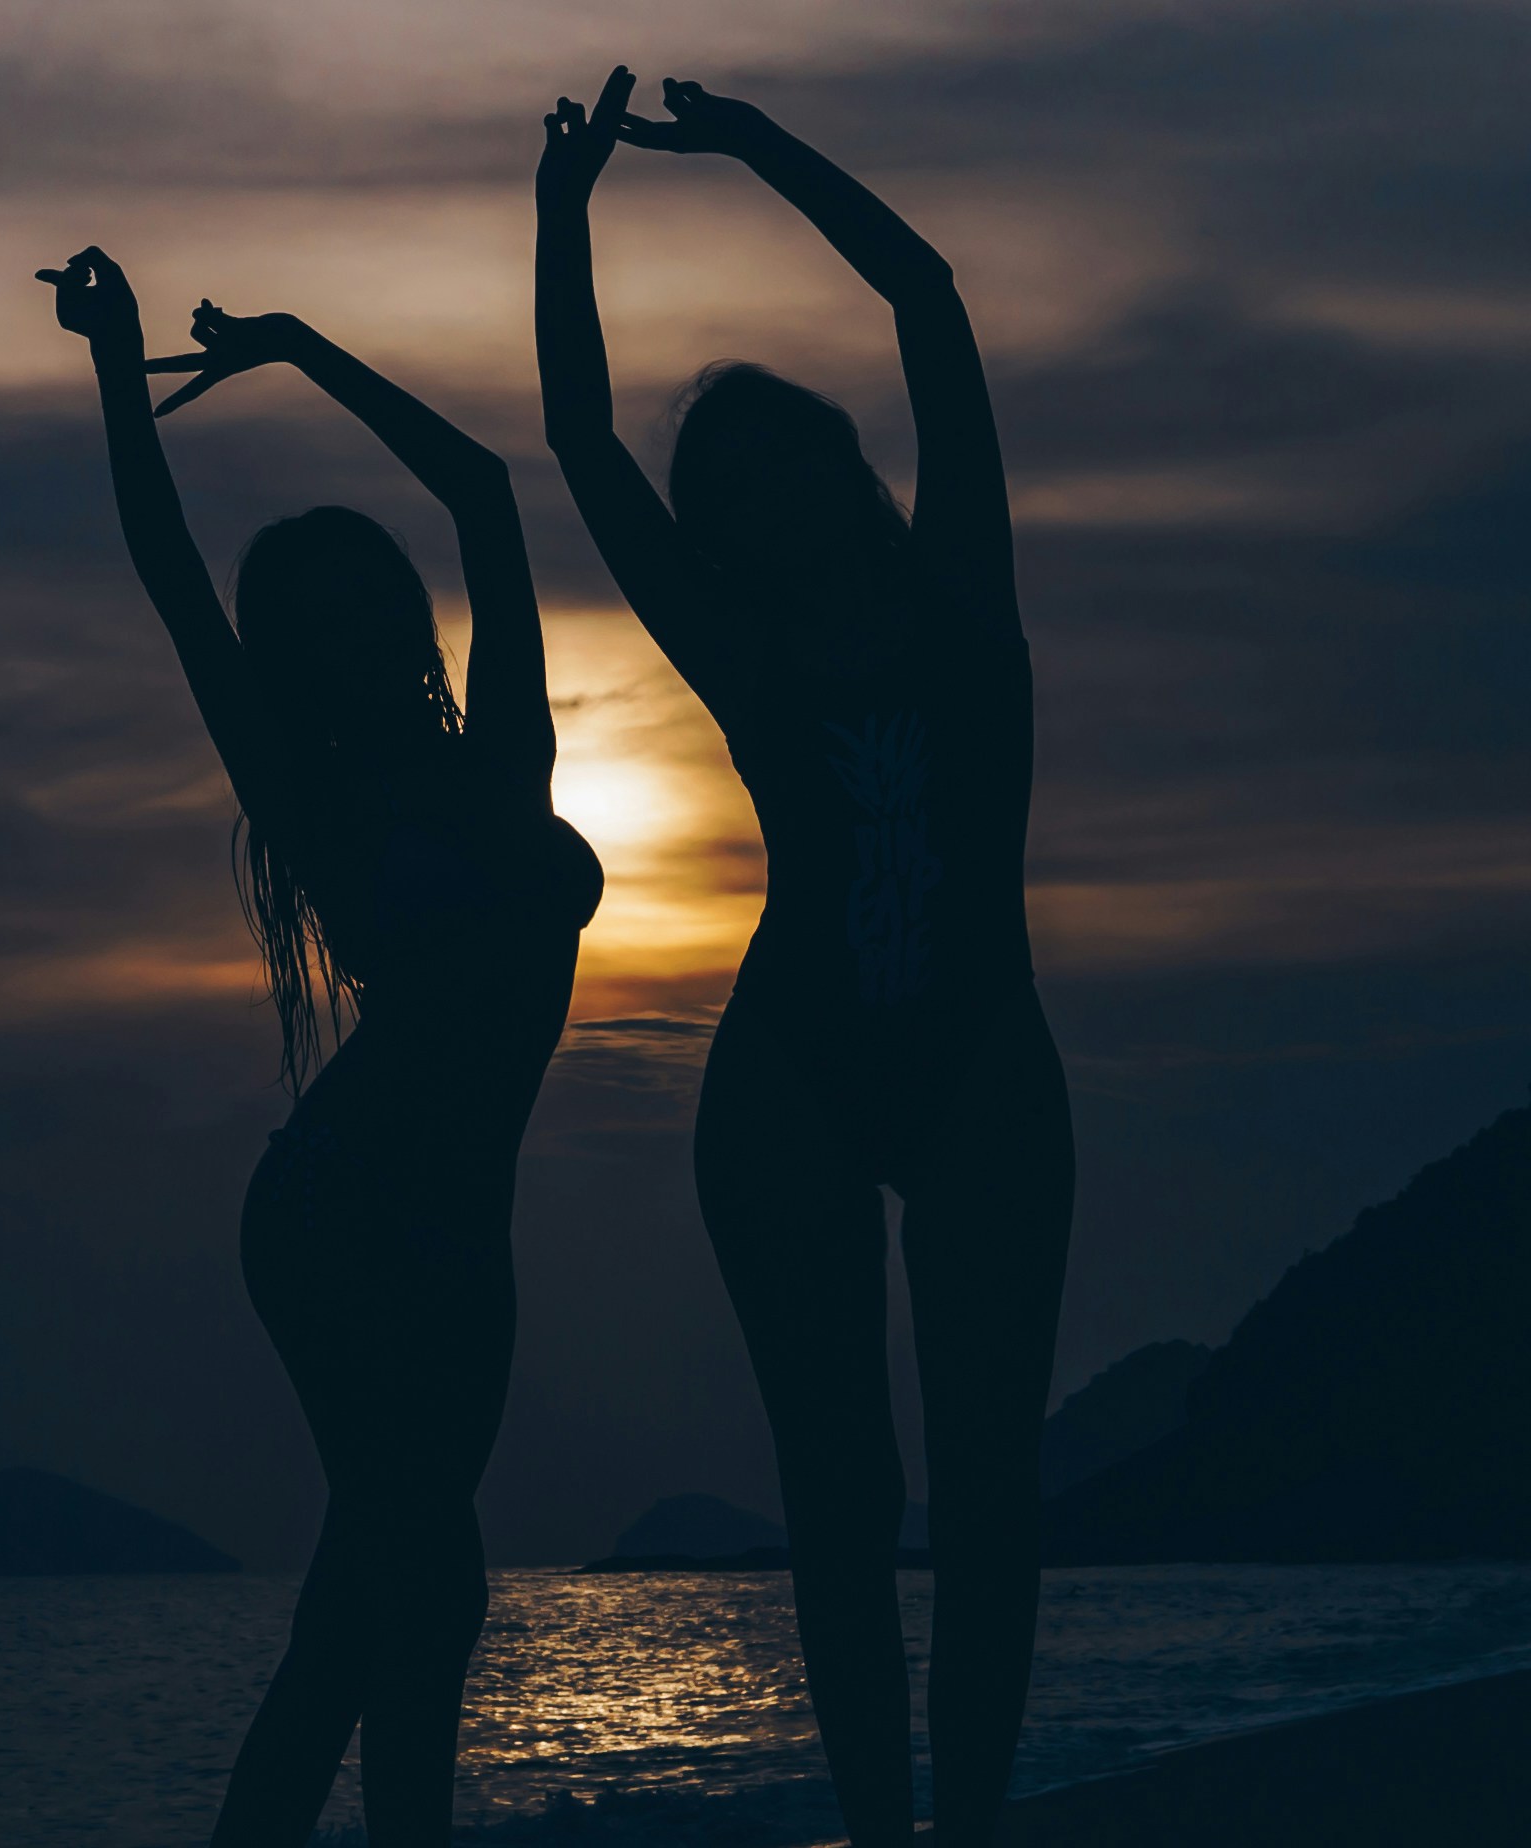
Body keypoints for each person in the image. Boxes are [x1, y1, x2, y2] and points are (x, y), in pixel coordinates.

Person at [530, 71, 1076, 1848]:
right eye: (731, 484)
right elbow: (582, 442)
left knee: (992, 1495)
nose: (764, 491)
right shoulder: (742, 657)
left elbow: (927, 303)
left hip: (985, 1059)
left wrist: (754, 147)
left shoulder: (966, 597)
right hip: (793, 1089)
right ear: (723, 530)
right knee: (843, 1500)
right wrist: (566, 207)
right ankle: (878, 1826)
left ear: (846, 468)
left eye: (787, 454)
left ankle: (969, 1823)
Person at [37, 247, 600, 1847]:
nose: (352, 629)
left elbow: (489, 495)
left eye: (369, 596)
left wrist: (303, 348)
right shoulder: (315, 796)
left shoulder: (505, 751)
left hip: (465, 1232)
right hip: (344, 1216)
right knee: (413, 1588)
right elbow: (167, 573)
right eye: (315, 616)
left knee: (396, 1601)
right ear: (290, 652)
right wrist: (116, 367)